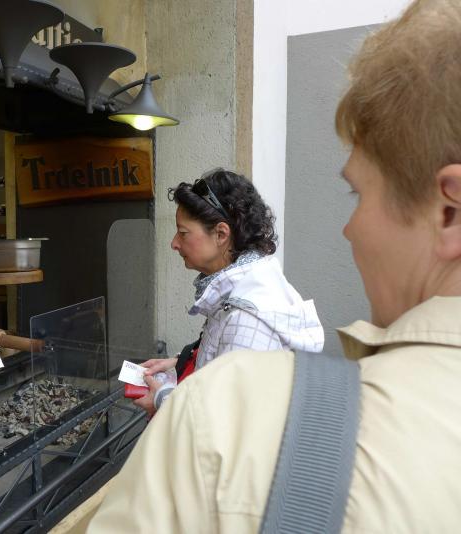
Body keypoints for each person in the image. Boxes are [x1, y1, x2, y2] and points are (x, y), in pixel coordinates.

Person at [86, 0, 461, 531]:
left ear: (449, 213)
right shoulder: (244, 292)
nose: (349, 230)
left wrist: (175, 400)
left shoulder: (228, 376)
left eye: (358, 195)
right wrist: (184, 365)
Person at [135, 169, 324, 415]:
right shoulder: (241, 291)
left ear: (221, 234)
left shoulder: (247, 321)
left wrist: (163, 400)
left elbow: (232, 420)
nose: (174, 243)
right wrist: (180, 363)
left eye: (183, 233)